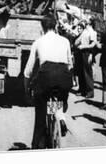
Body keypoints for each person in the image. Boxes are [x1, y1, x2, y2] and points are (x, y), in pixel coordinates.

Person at [24, 14, 73, 149]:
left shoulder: (38, 42)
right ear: (56, 26)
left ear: (42, 28)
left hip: (46, 76)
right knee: (59, 100)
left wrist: (27, 89)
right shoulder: (65, 41)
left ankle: (35, 145)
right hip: (64, 76)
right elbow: (70, 64)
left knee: (40, 112)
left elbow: (28, 70)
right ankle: (61, 118)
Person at [74, 17, 98, 98]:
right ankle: (82, 90)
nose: (85, 19)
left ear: (90, 22)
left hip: (87, 52)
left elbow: (93, 45)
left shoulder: (92, 32)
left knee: (87, 73)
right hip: (81, 53)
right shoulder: (85, 31)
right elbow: (77, 41)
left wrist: (84, 47)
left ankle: (90, 92)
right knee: (81, 72)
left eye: (87, 19)